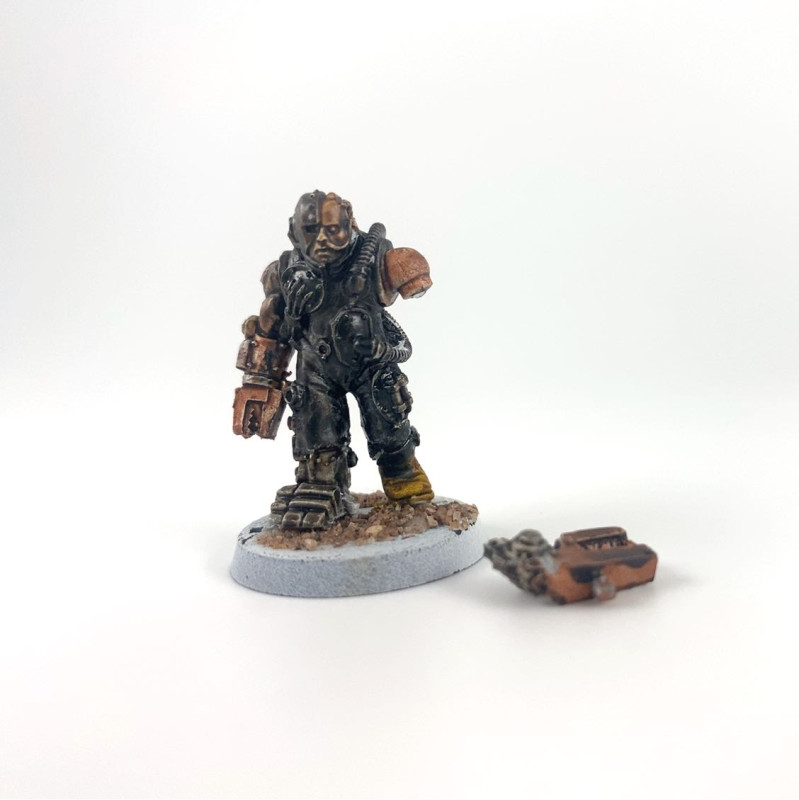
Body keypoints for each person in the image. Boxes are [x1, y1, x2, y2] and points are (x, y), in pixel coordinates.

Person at [233, 191, 434, 530]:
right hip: (315, 368)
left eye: (332, 229)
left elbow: (412, 286)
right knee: (317, 435)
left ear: (349, 224)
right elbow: (270, 329)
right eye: (311, 230)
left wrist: (384, 350)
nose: (322, 240)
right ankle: (324, 486)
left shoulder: (382, 262)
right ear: (294, 232)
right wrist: (259, 382)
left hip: (372, 365)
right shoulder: (284, 273)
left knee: (390, 428)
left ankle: (402, 477)